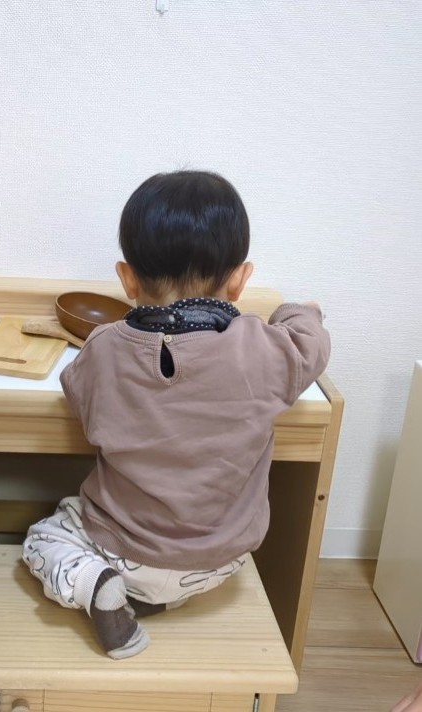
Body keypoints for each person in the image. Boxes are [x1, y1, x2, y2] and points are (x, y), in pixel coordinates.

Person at [22, 170, 331, 659]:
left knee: (44, 536)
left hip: (124, 552)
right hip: (220, 562)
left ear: (127, 278)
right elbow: (311, 344)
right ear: (239, 280)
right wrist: (300, 311)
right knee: (172, 571)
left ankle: (97, 585)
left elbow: (77, 395)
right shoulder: (264, 350)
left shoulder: (103, 349)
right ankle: (158, 598)